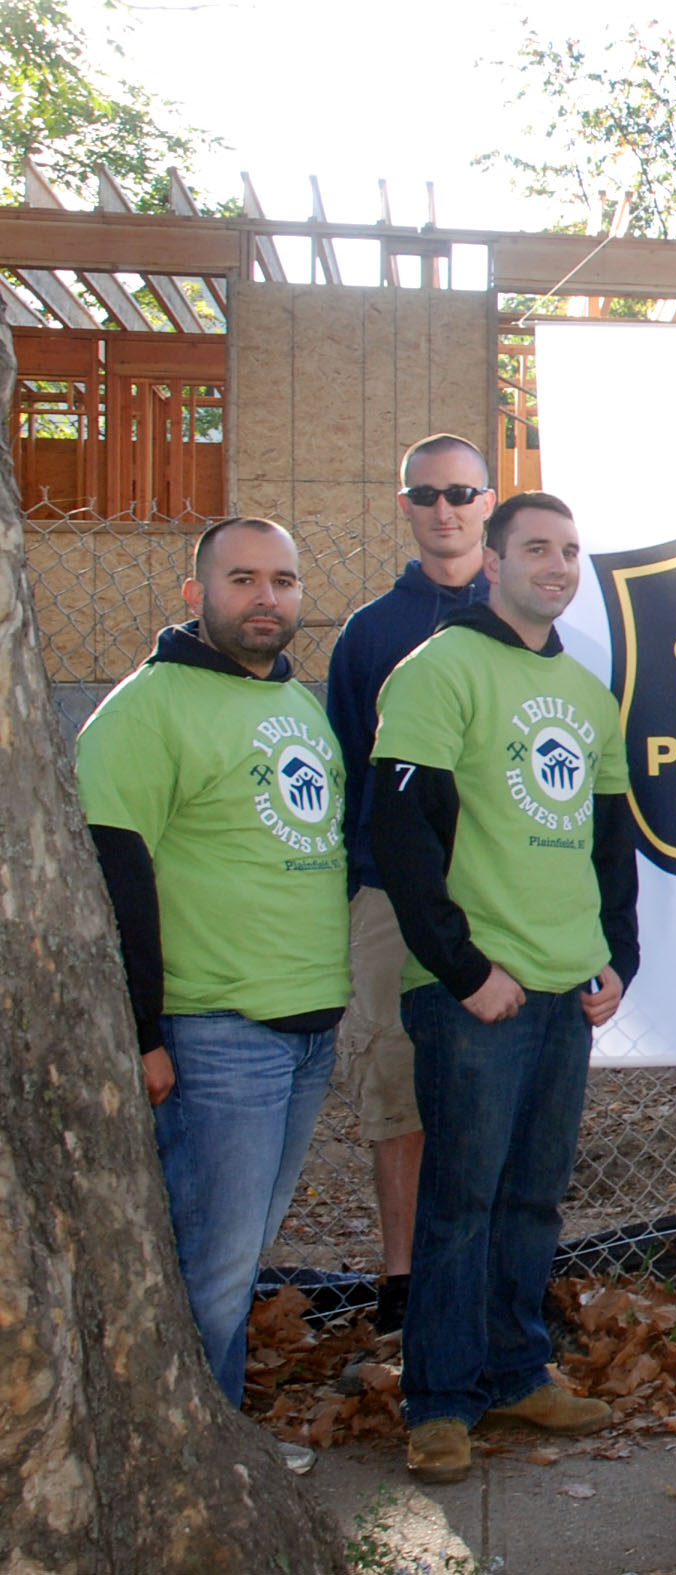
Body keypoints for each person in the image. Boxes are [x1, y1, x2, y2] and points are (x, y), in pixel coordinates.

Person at [370, 491, 638, 1482]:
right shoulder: (440, 669)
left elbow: (612, 841)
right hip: (479, 992)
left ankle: (518, 1372)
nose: (558, 566)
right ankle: (440, 1401)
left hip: (566, 992)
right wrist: (466, 969)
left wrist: (619, 955)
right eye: (537, 548)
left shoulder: (584, 688)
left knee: (532, 1198)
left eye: (570, 550)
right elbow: (400, 835)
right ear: (492, 559)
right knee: (460, 1203)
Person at [77, 517, 349, 1444]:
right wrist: (143, 1031)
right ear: (196, 595)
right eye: (242, 579)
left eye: (283, 580)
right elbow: (115, 879)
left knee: (241, 1256)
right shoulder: (146, 709)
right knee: (212, 1267)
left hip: (309, 1026)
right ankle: (192, 1456)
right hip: (217, 1031)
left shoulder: (296, 703)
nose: (266, 597)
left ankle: (213, 1447)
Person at [323, 432, 494, 1341]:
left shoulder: (525, 621)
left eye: (462, 493)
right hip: (392, 896)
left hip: (502, 894)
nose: (445, 509)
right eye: (426, 494)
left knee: (494, 1089)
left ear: (488, 502)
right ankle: (401, 1284)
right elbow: (350, 769)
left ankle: (497, 1288)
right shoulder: (371, 632)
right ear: (405, 506)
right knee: (399, 1087)